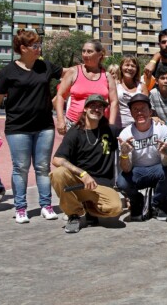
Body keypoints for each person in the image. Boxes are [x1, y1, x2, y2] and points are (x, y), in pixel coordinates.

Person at [0, 29, 64, 223]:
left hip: (44, 127)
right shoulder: (8, 71)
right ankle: (20, 208)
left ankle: (46, 205)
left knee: (42, 167)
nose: (39, 48)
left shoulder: (45, 66)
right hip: (18, 128)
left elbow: (69, 74)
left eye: (39, 45)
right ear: (23, 48)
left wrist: (60, 98)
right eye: (35, 45)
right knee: (20, 168)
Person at [50, 94, 122, 233]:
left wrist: (153, 119)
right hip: (80, 183)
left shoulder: (110, 130)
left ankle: (89, 209)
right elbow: (57, 159)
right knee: (58, 173)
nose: (96, 109)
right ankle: (74, 214)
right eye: (93, 106)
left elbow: (133, 131)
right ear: (85, 109)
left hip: (101, 184)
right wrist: (83, 173)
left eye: (100, 106)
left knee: (115, 209)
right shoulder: (75, 132)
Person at [117, 94, 167, 221]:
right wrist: (125, 154)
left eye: (143, 109)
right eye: (135, 110)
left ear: (150, 111)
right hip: (137, 171)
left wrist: (166, 153)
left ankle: (156, 204)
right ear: (131, 114)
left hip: (157, 169)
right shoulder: (125, 134)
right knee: (121, 181)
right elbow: (126, 169)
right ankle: (137, 200)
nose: (139, 113)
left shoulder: (161, 129)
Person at [56, 39, 118, 133]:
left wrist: (111, 125)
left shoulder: (107, 76)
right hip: (74, 124)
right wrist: (60, 120)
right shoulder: (73, 72)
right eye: (83, 51)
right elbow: (60, 96)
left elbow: (114, 102)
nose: (85, 54)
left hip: (99, 125)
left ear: (100, 55)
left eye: (89, 51)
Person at [116, 55, 149, 129]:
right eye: (127, 65)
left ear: (137, 69)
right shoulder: (115, 85)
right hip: (119, 126)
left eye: (133, 66)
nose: (130, 68)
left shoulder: (142, 86)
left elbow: (146, 107)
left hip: (139, 127)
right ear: (121, 67)